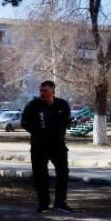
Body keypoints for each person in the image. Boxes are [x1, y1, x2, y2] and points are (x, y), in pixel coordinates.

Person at [22, 80, 72, 213]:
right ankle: (43, 204)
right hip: (39, 146)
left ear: (53, 91)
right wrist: (37, 131)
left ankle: (60, 202)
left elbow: (66, 120)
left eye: (45, 91)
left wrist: (62, 129)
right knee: (40, 175)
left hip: (58, 146)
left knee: (63, 173)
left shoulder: (62, 104)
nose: (42, 93)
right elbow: (24, 122)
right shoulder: (34, 105)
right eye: (41, 91)